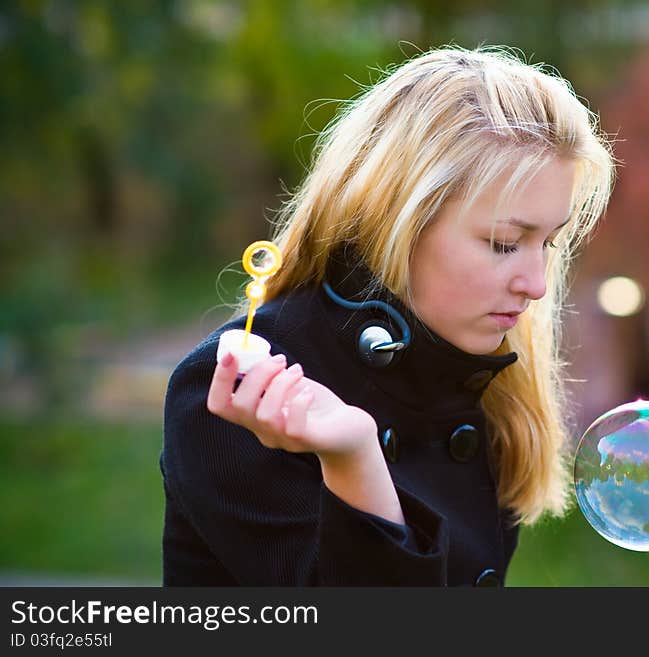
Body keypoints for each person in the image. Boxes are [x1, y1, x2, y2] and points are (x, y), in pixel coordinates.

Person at [160, 45, 615, 586]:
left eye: (550, 243)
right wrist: (356, 462)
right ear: (398, 218)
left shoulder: (483, 385)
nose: (537, 285)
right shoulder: (242, 390)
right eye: (503, 242)